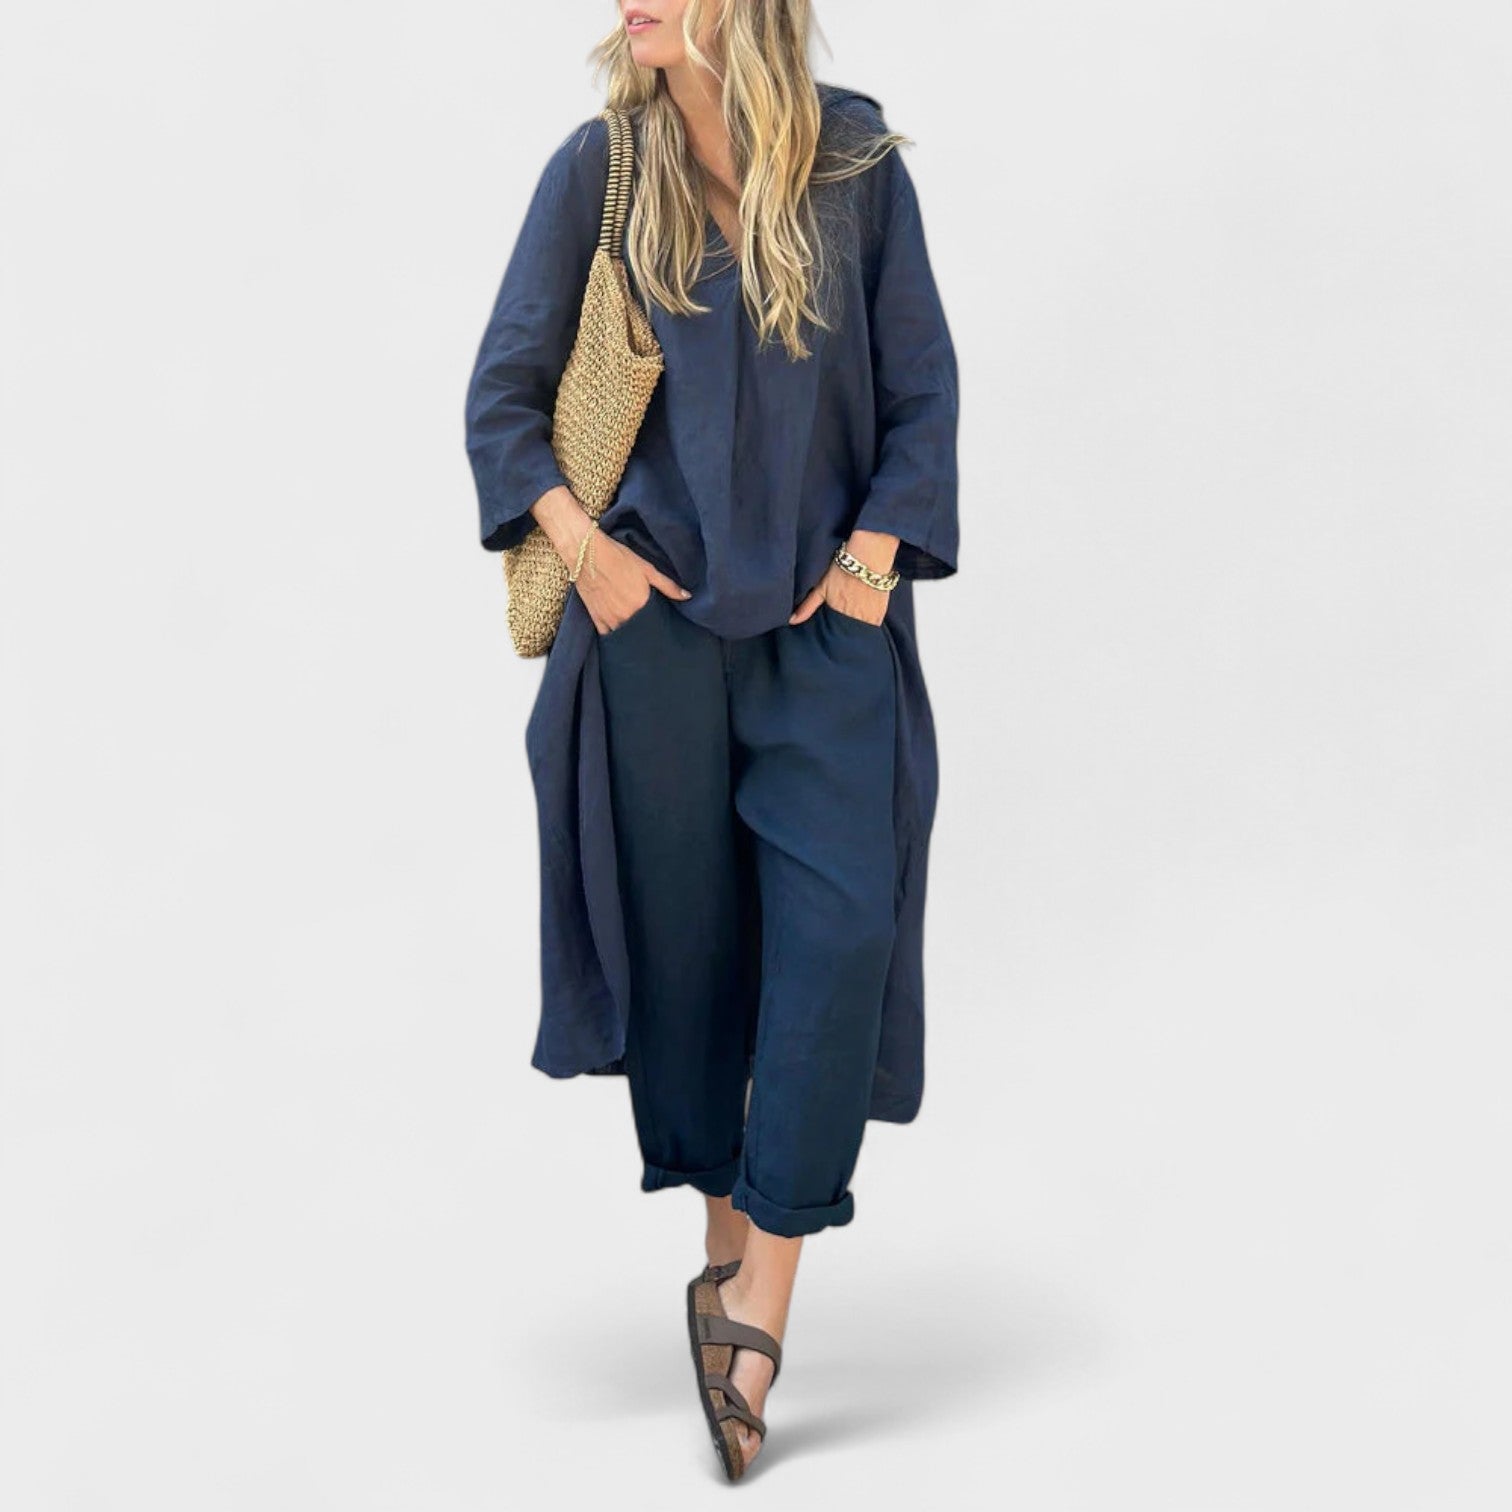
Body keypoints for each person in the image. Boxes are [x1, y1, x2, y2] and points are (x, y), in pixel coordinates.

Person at [463, 0, 958, 1481]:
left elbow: (923, 394)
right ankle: (724, 1248)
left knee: (838, 936)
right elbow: (502, 402)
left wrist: (871, 561)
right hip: (658, 640)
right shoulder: (602, 170)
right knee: (691, 955)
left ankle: (759, 1300)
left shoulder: (855, 167)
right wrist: (588, 555)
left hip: (824, 637)